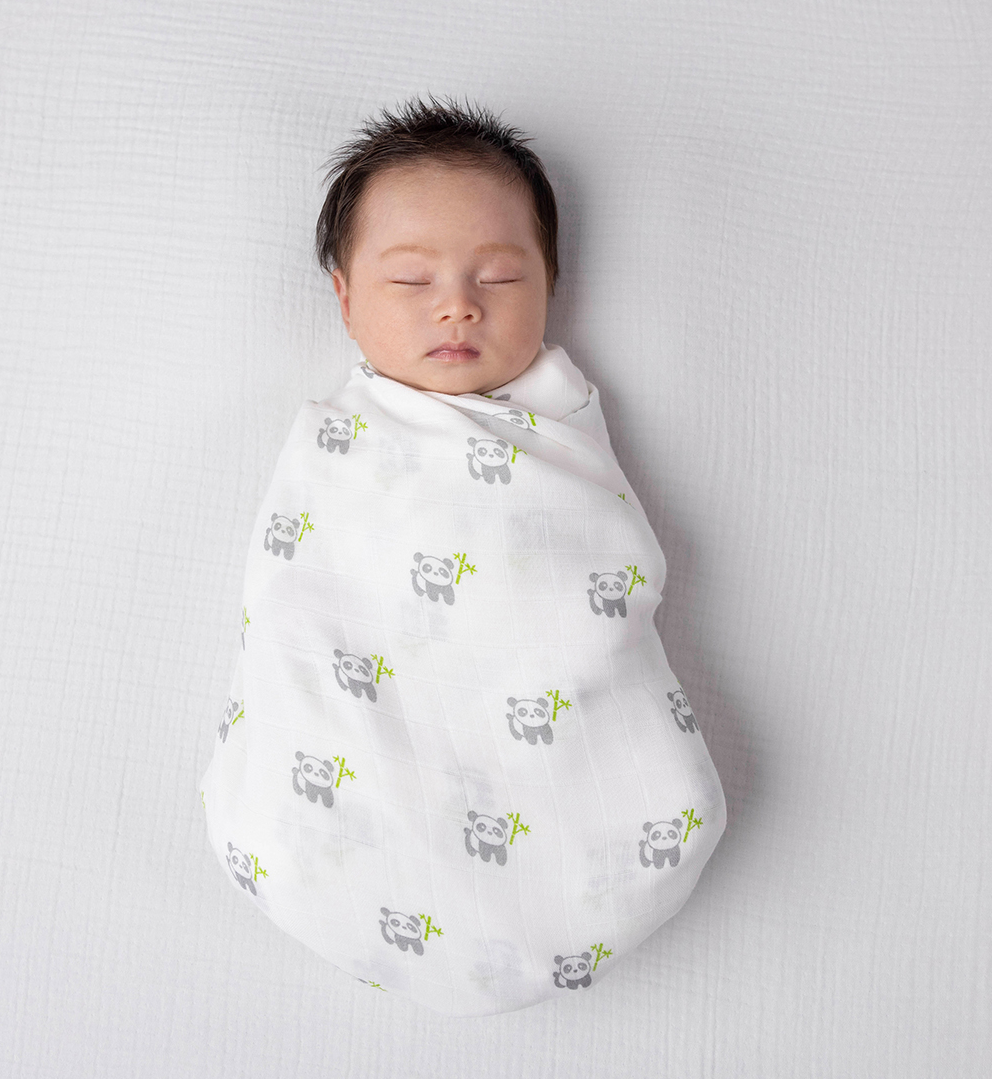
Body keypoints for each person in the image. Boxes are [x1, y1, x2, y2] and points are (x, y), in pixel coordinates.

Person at [201, 99, 725, 1016]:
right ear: (345, 298)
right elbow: (301, 596)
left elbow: (593, 574)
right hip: (363, 745)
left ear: (550, 285)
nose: (458, 304)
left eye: (500, 276)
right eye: (411, 279)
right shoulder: (338, 447)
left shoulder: (561, 431)